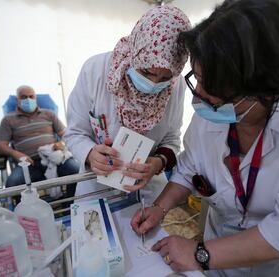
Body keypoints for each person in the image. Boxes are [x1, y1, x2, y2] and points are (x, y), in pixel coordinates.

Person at [130, 1, 279, 276]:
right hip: (216, 260)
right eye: (197, 79)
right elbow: (190, 168)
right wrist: (159, 207)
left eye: (210, 87)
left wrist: (200, 254)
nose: (197, 96)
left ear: (264, 89)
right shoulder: (210, 110)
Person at [64, 5, 191, 199]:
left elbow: (172, 139)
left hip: (147, 191)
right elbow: (74, 132)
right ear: (136, 51)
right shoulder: (96, 71)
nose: (152, 84)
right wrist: (90, 154)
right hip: (96, 187)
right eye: (147, 72)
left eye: (164, 77)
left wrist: (158, 163)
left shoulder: (176, 85)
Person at [0, 85, 80, 196]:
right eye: (24, 97)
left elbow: (66, 134)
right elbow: (1, 146)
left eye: (31, 96)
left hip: (53, 158)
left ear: (36, 98)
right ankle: (28, 211)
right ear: (18, 100)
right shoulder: (8, 120)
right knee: (12, 184)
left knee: (77, 171)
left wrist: (62, 143)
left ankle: (70, 203)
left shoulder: (49, 114)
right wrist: (16, 154)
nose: (28, 100)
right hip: (27, 163)